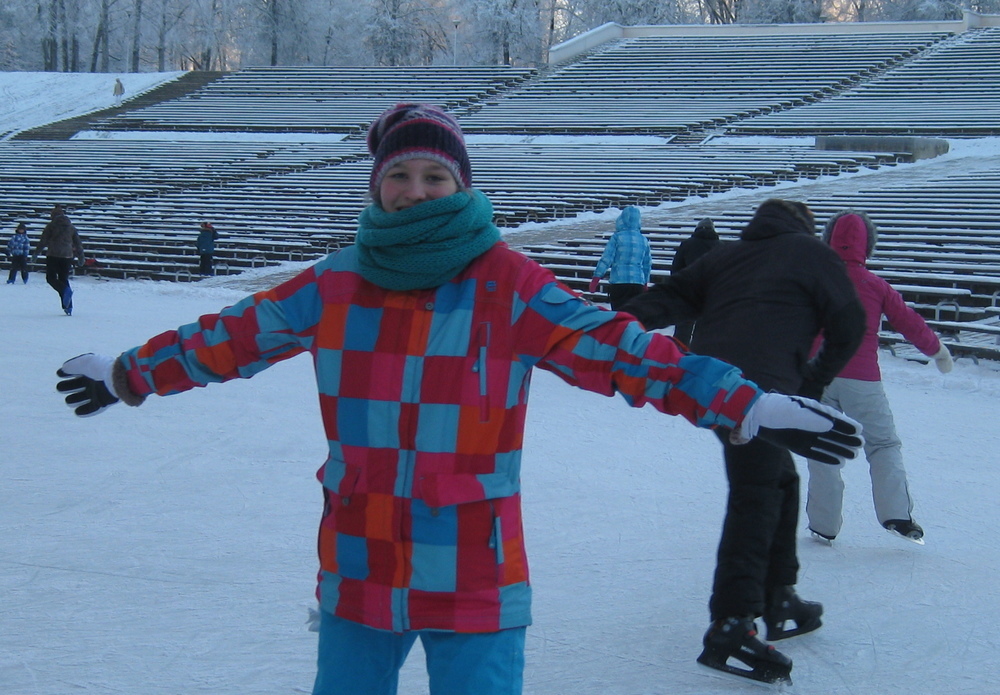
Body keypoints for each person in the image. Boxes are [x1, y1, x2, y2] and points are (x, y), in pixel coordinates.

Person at [55, 106, 862, 695]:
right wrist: (129, 373)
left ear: (460, 184)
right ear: (378, 186)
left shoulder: (506, 284)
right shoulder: (337, 283)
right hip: (360, 562)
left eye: (434, 175)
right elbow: (233, 335)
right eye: (399, 176)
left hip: (475, 571)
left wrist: (743, 403)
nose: (416, 190)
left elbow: (618, 349)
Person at [623, 198, 866, 685]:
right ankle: (732, 622)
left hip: (715, 388)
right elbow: (850, 324)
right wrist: (812, 385)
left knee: (780, 480)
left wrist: (611, 325)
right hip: (761, 395)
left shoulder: (725, 256)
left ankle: (778, 595)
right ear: (805, 227)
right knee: (756, 493)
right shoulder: (812, 253)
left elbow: (667, 297)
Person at [805, 211, 953, 545]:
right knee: (883, 444)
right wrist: (938, 351)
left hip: (819, 375)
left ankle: (823, 524)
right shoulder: (876, 286)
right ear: (868, 246)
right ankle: (896, 514)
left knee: (823, 445)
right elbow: (910, 323)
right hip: (863, 380)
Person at [588, 205, 651, 310]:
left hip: (619, 283)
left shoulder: (617, 237)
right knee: (633, 315)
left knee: (619, 315)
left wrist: (596, 278)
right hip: (637, 283)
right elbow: (647, 264)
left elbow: (607, 258)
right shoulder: (643, 240)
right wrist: (645, 283)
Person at [670, 217, 720, 345]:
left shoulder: (687, 244)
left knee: (683, 329)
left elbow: (676, 268)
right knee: (706, 329)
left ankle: (679, 352)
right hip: (711, 292)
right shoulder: (720, 246)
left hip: (688, 291)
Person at [35, 204, 84, 315]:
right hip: (67, 256)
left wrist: (36, 253)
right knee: (63, 279)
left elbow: (43, 241)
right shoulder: (71, 227)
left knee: (51, 278)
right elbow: (78, 243)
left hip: (53, 254)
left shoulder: (51, 226)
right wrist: (81, 257)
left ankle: (65, 292)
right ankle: (68, 307)